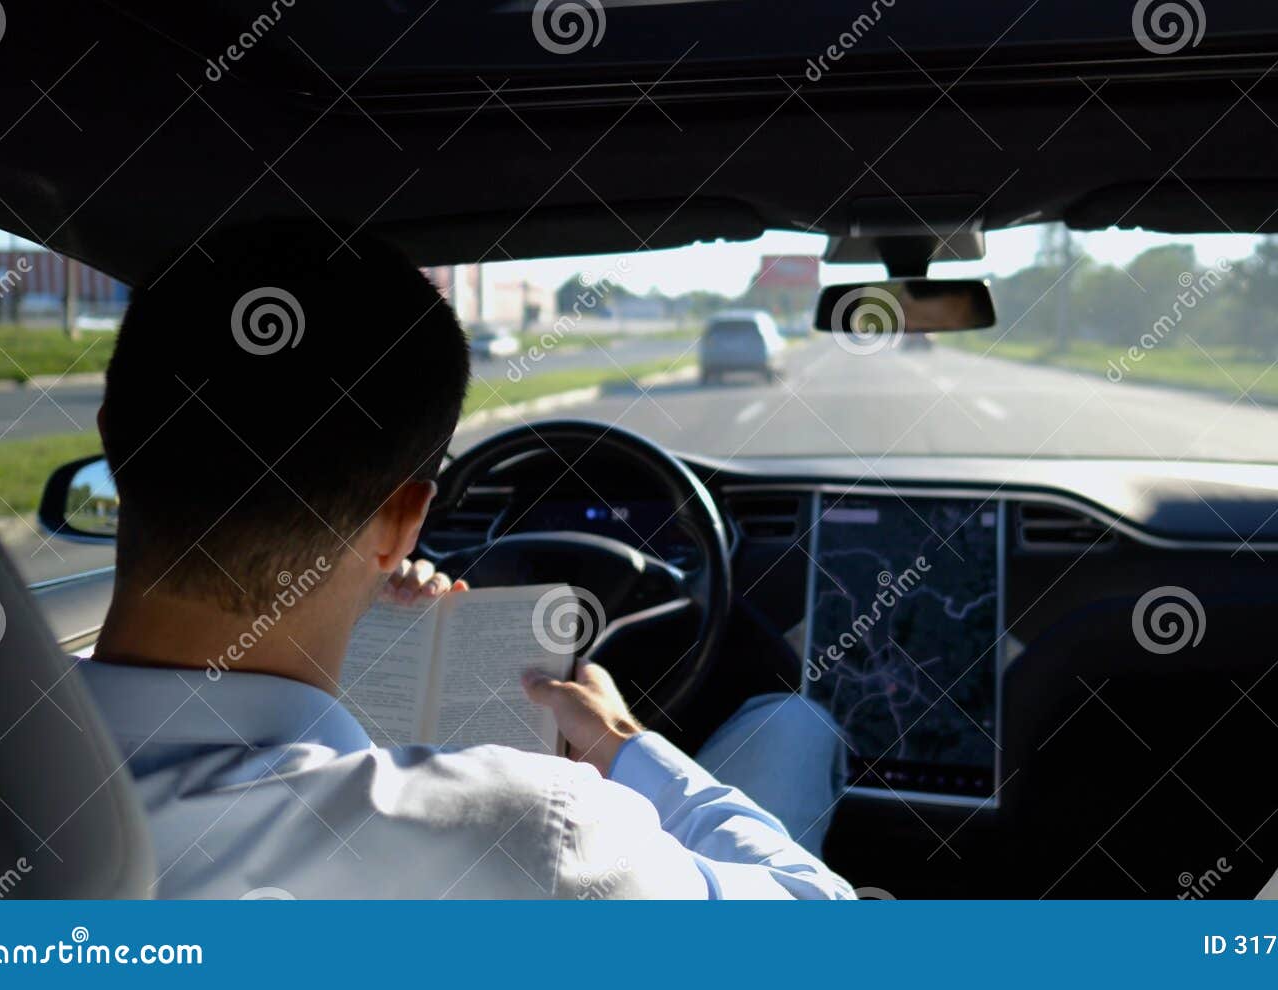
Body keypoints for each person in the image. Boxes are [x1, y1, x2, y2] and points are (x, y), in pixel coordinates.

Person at [79, 220, 850, 899]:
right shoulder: (537, 831)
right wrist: (622, 743)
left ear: (113, 440)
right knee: (790, 722)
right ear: (405, 520)